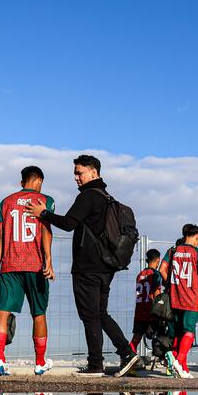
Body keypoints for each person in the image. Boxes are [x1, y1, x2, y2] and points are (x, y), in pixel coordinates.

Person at [26, 155, 139, 376]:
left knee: (89, 315)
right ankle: (116, 356)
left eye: (80, 173)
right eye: (75, 174)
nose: (76, 177)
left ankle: (109, 359)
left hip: (88, 266)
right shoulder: (107, 197)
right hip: (107, 265)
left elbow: (69, 224)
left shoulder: (88, 196)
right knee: (99, 313)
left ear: (94, 173)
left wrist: (44, 214)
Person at [0, 167, 56, 376]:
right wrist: (48, 259)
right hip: (35, 265)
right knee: (39, 313)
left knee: (2, 312)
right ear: (40, 181)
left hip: (10, 265)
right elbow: (46, 229)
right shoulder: (45, 200)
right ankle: (39, 362)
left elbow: (1, 238)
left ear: (22, 182)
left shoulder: (6, 202)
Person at [161, 225, 198, 378]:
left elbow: (162, 269)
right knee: (189, 332)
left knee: (178, 334)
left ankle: (183, 369)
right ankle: (179, 362)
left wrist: (172, 283)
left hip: (174, 297)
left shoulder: (172, 251)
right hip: (190, 297)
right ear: (196, 237)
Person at [130, 249, 165, 353]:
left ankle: (128, 358)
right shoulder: (156, 274)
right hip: (151, 310)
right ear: (158, 260)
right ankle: (165, 360)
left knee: (136, 338)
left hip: (140, 310)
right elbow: (156, 294)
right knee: (159, 336)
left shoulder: (140, 275)